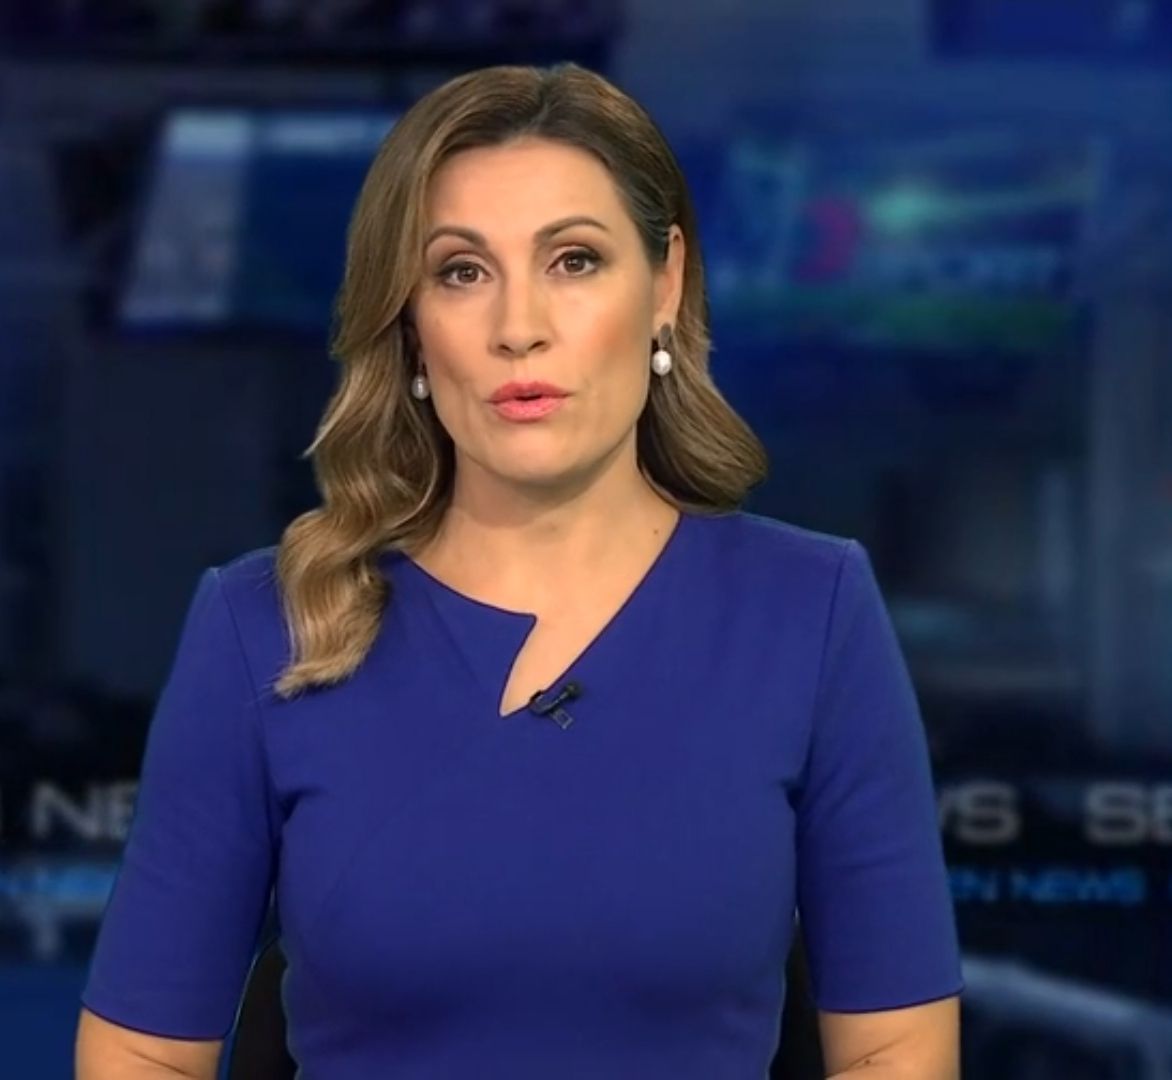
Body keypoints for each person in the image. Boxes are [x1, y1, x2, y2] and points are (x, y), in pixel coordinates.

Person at [75, 62, 963, 1079]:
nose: (517, 327)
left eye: (574, 261)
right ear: (409, 323)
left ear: (665, 284)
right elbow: (143, 1054)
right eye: (461, 272)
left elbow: (892, 1049)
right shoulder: (261, 626)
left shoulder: (811, 613)